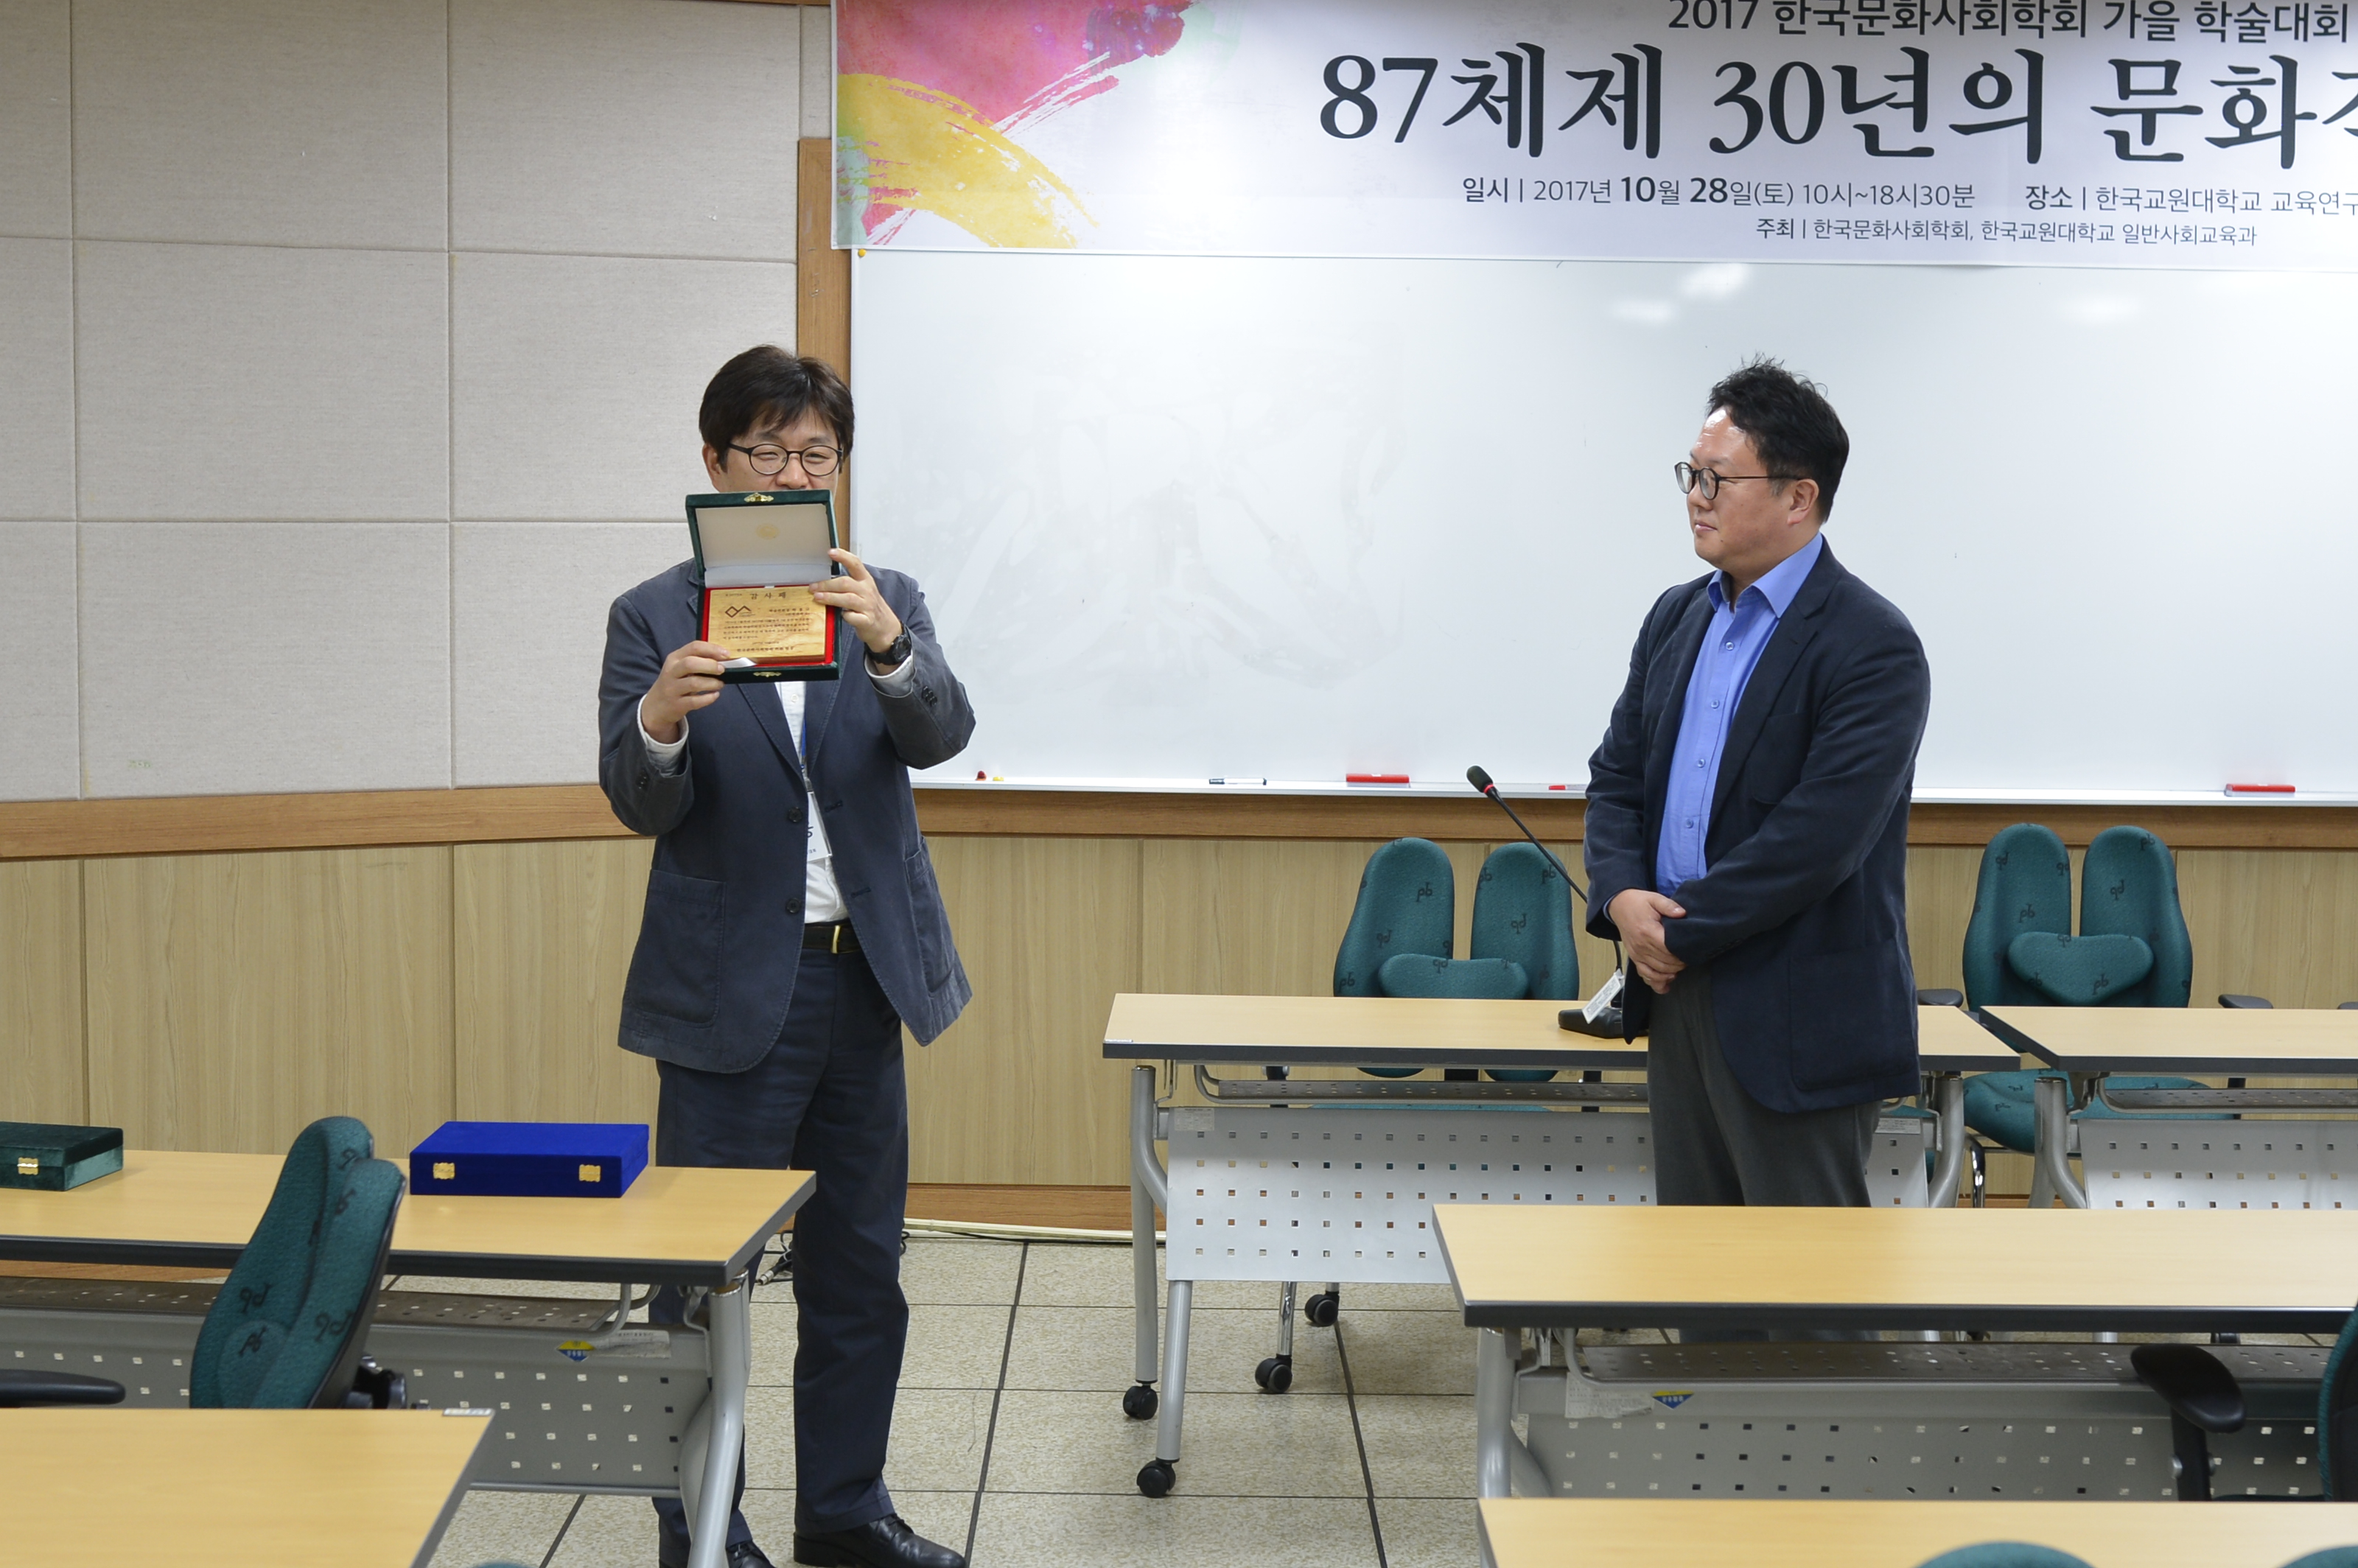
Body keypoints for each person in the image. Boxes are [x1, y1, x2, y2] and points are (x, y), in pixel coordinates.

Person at [599, 346, 975, 1568]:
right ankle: (702, 1526)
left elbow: (943, 734)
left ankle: (846, 1512)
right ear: (716, 464)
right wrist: (660, 717)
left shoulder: (884, 594)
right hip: (726, 993)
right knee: (701, 1276)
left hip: (864, 980)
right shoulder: (655, 614)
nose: (791, 472)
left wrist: (890, 647)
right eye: (766, 450)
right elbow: (638, 800)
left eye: (816, 453)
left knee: (861, 1270)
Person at [1582, 358, 1931, 1209]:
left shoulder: (1871, 644)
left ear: (1797, 497)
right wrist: (1622, 897)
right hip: (1674, 991)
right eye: (1690, 475)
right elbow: (1616, 777)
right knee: (1693, 1263)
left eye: (1717, 479)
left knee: (1801, 1279)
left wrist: (1675, 930)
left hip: (1795, 1013)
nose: (1695, 498)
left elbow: (1816, 839)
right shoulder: (1676, 616)